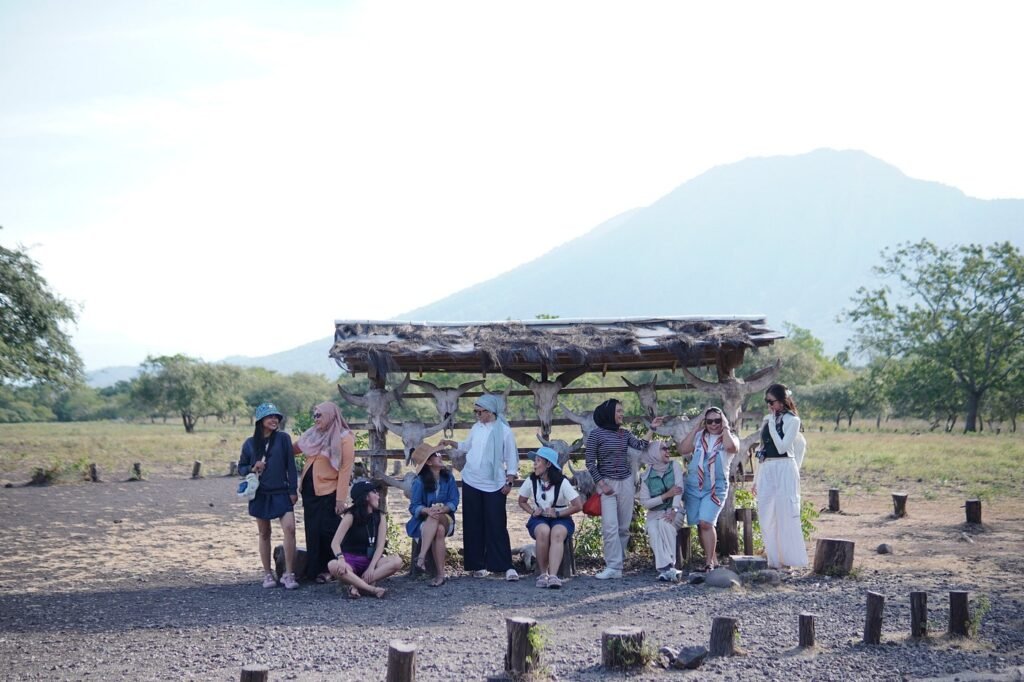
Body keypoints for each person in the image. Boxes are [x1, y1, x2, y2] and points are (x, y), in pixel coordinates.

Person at [439, 393, 520, 581]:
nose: (476, 415)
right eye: (475, 412)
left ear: (489, 412)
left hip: (495, 484)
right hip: (471, 481)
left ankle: (504, 565)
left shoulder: (505, 431)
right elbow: (467, 446)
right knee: (473, 523)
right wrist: (452, 443)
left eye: (479, 412)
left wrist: (509, 481)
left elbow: (511, 458)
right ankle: (477, 565)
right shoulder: (476, 427)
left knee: (497, 524)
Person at [584, 398, 663, 579]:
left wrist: (652, 428)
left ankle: (618, 567)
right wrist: (601, 484)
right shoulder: (596, 435)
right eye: (618, 411)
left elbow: (641, 446)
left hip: (626, 482)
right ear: (609, 413)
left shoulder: (624, 434)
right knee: (609, 526)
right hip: (607, 484)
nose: (622, 414)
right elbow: (590, 462)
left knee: (623, 527)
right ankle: (612, 565)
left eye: (622, 411)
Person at [238, 402, 299, 589]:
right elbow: (241, 468)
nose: (274, 420)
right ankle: (267, 574)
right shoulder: (249, 444)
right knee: (264, 533)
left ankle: (289, 574)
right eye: (270, 417)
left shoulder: (283, 439)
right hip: (260, 493)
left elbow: (291, 466)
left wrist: (293, 490)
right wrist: (252, 467)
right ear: (260, 420)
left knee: (290, 529)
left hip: (281, 491)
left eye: (276, 417)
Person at [294, 401, 355, 583]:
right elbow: (295, 448)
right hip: (310, 490)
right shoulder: (314, 434)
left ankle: (332, 569)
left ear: (330, 415)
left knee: (329, 530)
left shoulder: (344, 437)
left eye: (319, 415)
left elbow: (345, 468)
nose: (316, 419)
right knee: (312, 530)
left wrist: (340, 499)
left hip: (329, 490)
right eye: (315, 415)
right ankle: (315, 570)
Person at [753, 383, 809, 569]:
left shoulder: (793, 420)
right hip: (767, 468)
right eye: (766, 402)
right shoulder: (767, 418)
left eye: (772, 402)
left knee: (786, 513)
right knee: (766, 513)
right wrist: (755, 479)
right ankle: (773, 558)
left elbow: (783, 447)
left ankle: (789, 559)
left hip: (784, 466)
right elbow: (762, 449)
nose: (769, 406)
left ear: (782, 401)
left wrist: (771, 424)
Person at [678, 406, 738, 571]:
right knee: (700, 523)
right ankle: (712, 562)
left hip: (715, 487)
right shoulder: (699, 437)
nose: (713, 424)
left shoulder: (730, 437)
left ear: (723, 421)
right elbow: (682, 449)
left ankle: (709, 563)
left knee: (706, 522)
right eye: (709, 421)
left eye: (717, 421)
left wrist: (725, 427)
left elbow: (732, 448)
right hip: (694, 485)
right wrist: (697, 426)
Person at [517, 446, 583, 589]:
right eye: (535, 460)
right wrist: (532, 511)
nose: (534, 464)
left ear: (548, 464)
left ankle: (553, 576)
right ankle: (543, 574)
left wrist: (558, 513)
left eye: (538, 460)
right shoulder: (532, 480)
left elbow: (578, 505)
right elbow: (521, 501)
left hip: (561, 518)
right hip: (539, 518)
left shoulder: (562, 482)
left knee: (557, 533)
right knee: (543, 531)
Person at [327, 480, 402, 598]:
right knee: (332, 565)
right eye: (374, 493)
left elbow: (380, 545)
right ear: (366, 497)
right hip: (350, 561)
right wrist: (341, 559)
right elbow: (335, 543)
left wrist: (372, 566)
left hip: (371, 560)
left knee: (396, 561)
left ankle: (356, 585)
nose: (378, 496)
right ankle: (371, 589)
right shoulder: (350, 516)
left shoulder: (380, 516)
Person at [406, 441, 460, 586]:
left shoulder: (448, 478)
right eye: (436, 455)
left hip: (446, 517)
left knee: (437, 518)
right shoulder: (419, 482)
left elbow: (454, 500)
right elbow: (414, 506)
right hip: (425, 521)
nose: (440, 456)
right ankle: (440, 575)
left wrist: (445, 508)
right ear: (429, 462)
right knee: (439, 529)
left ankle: (421, 557)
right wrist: (426, 510)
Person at [637, 440, 685, 582]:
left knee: (665, 524)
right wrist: (665, 496)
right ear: (653, 453)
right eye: (663, 449)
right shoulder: (646, 477)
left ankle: (667, 568)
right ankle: (669, 569)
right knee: (653, 530)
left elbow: (679, 490)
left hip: (675, 511)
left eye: (668, 448)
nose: (667, 451)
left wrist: (674, 510)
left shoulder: (674, 466)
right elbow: (645, 503)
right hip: (653, 515)